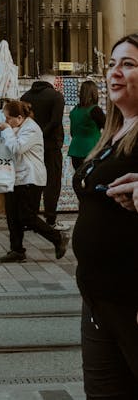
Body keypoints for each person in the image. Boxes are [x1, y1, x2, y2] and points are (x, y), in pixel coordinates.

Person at [70, 33, 138, 398]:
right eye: (112, 64)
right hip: (98, 297)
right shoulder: (113, 132)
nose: (115, 72)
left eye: (128, 64)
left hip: (131, 298)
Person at [0, 100, 70, 263]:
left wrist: (8, 131)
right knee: (12, 215)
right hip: (15, 177)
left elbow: (17, 148)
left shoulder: (31, 129)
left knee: (27, 217)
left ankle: (58, 237)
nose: (6, 121)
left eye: (9, 118)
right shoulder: (18, 127)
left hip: (30, 178)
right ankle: (16, 250)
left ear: (19, 117)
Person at [21, 72, 67, 229]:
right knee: (52, 182)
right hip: (51, 145)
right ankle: (50, 219)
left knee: (31, 180)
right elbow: (55, 121)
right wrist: (41, 135)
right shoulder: (56, 97)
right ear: (53, 82)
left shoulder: (25, 96)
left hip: (30, 147)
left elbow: (22, 122)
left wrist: (33, 137)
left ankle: (29, 218)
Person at [67, 80, 105, 170]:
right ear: (94, 93)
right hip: (91, 149)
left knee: (79, 178)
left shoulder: (74, 110)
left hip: (75, 150)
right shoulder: (95, 110)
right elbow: (107, 127)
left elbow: (72, 132)